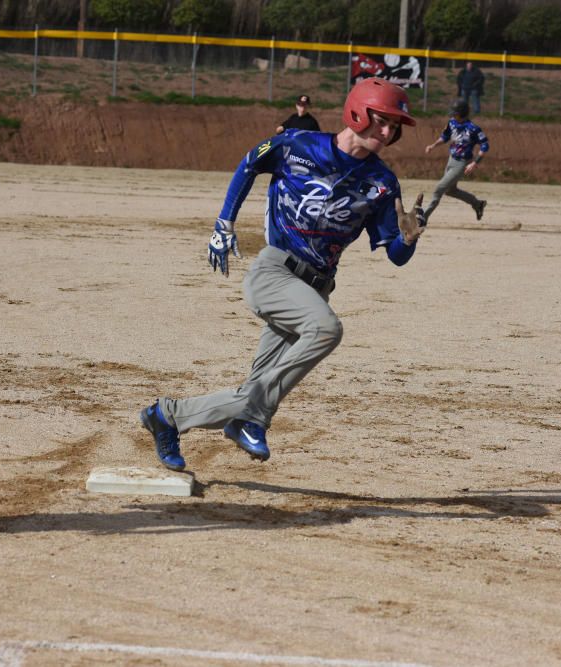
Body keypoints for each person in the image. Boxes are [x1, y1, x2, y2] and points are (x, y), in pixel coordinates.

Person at [140, 78, 426, 471]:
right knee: (326, 331)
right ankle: (242, 418)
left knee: (252, 393)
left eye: (395, 127)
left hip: (315, 290)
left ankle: (168, 416)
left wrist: (408, 240)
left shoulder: (381, 184)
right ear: (358, 112)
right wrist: (225, 223)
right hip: (275, 273)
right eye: (383, 120)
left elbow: (394, 256)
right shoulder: (297, 145)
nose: (389, 131)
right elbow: (249, 163)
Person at [423, 98, 489, 222]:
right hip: (451, 159)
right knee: (450, 190)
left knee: (439, 188)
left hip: (462, 163)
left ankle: (423, 218)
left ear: (462, 113)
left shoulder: (473, 128)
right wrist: (433, 145)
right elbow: (445, 136)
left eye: (455, 113)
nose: (453, 115)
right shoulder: (451, 123)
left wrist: (475, 163)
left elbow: (485, 146)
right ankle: (477, 204)